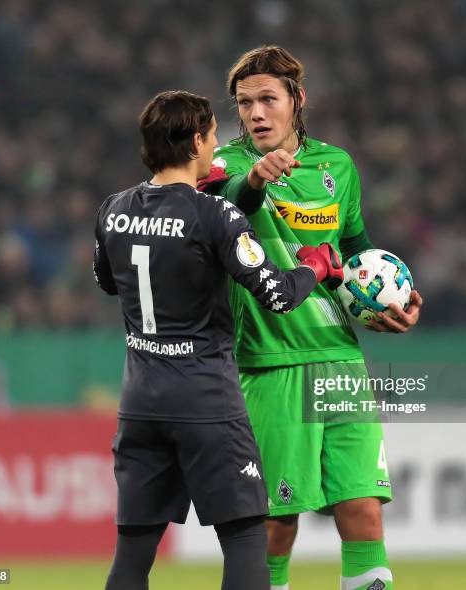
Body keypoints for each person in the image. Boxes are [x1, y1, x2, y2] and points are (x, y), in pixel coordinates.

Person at [93, 90, 345, 590]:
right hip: (206, 400)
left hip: (140, 401)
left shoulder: (112, 210)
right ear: (195, 142)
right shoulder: (214, 215)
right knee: (246, 535)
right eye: (211, 135)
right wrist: (314, 266)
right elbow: (275, 292)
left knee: (133, 552)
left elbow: (107, 280)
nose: (216, 144)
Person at [197, 47, 423, 590]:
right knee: (277, 524)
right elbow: (227, 206)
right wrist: (255, 181)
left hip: (342, 360)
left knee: (363, 512)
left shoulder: (337, 166)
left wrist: (396, 298)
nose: (255, 113)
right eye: (244, 102)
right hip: (271, 362)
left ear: (296, 100)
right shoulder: (225, 164)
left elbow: (356, 248)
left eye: (267, 99)